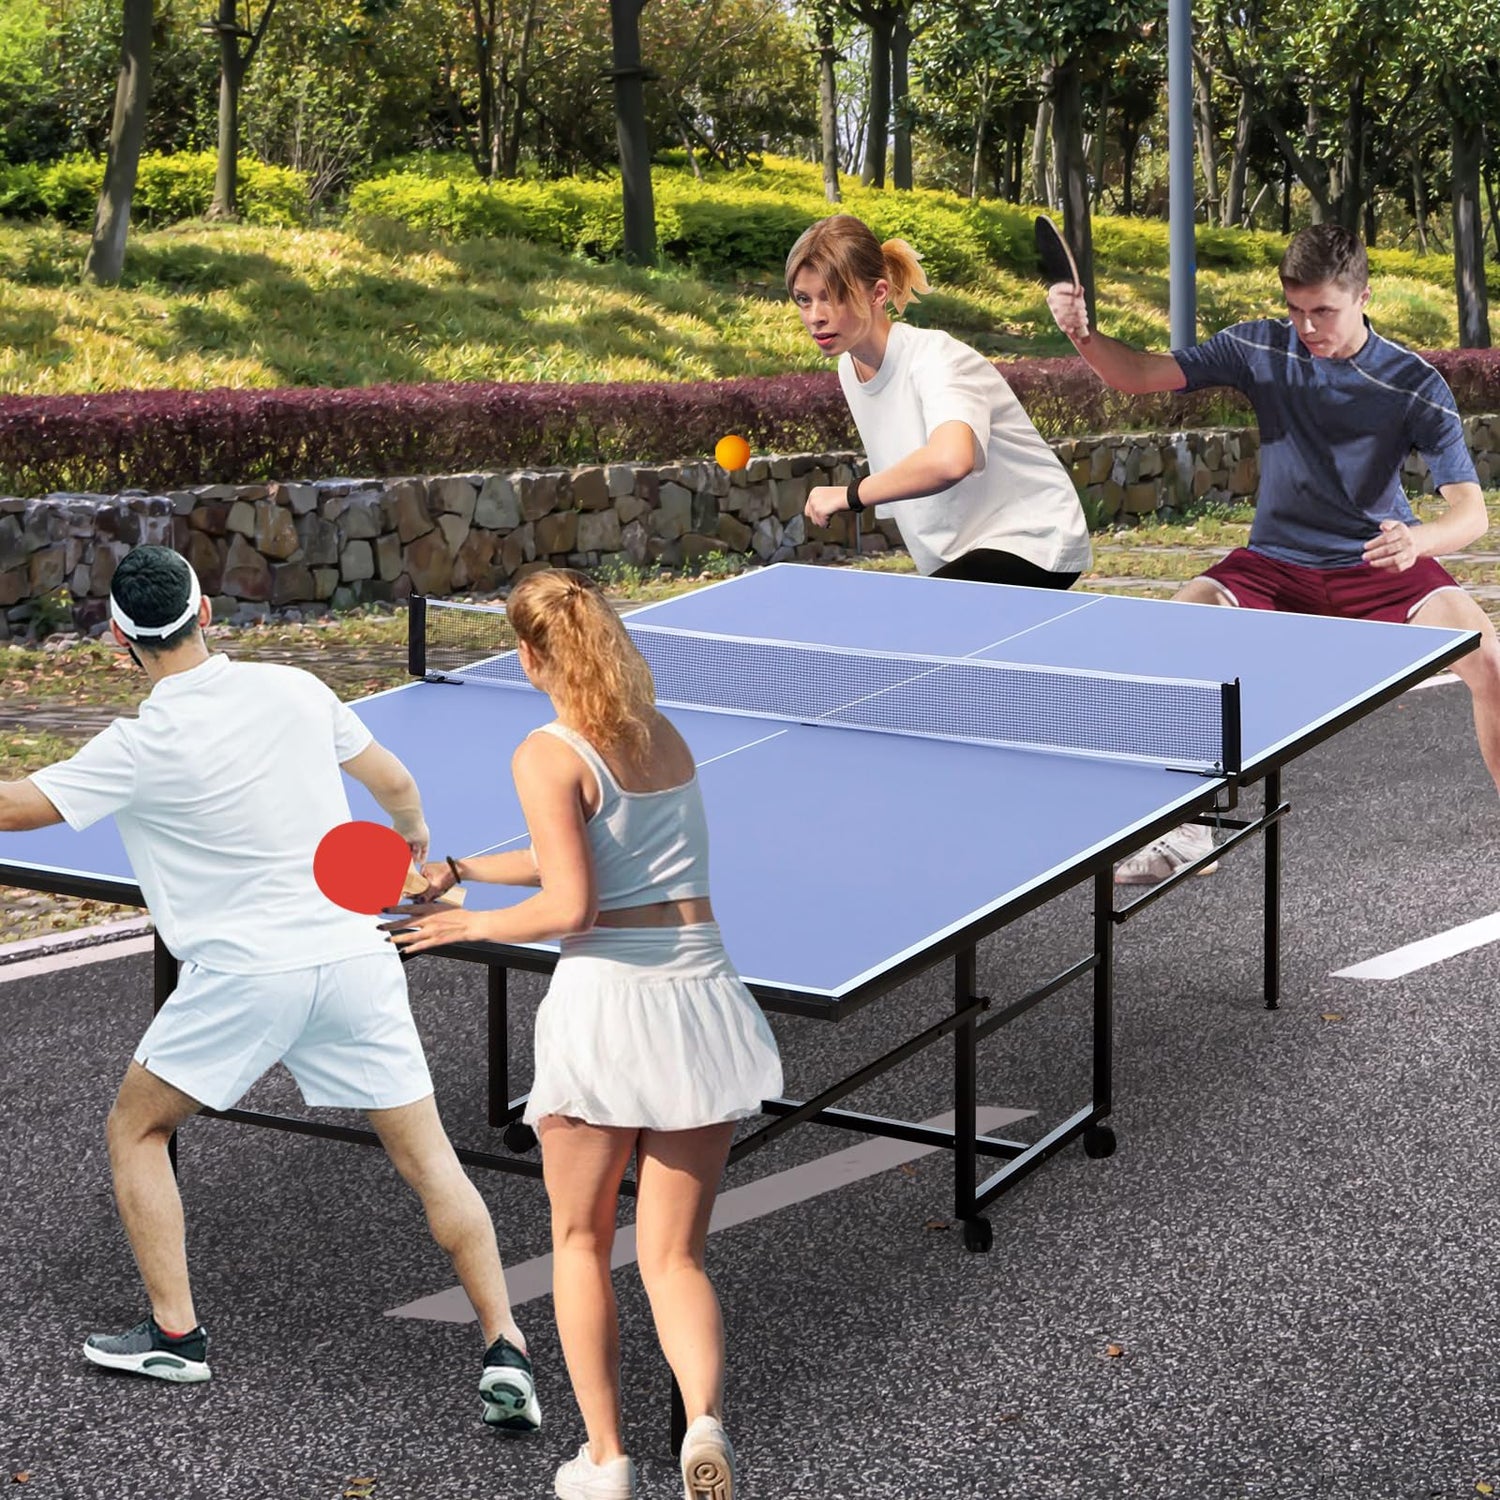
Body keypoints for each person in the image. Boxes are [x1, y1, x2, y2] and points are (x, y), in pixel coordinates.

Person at [0, 545, 538, 1432]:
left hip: (245, 977)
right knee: (430, 1160)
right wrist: (411, 842)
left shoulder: (136, 745)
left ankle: (176, 1335)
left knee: (138, 1127)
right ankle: (504, 1342)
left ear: (119, 640)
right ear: (206, 613)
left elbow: (14, 807)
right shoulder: (296, 688)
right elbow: (395, 782)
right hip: (355, 955)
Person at [389, 568, 782, 1500]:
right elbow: (575, 851)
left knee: (578, 1240)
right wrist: (460, 869)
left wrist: (467, 923)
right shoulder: (661, 735)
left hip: (609, 1006)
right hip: (701, 999)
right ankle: (703, 1422)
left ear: (529, 655)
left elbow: (573, 903)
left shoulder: (545, 752)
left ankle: (605, 1460)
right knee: (674, 1257)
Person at [1047, 222, 1500, 884]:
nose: (1307, 326)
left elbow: (1471, 514)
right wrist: (1083, 336)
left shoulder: (1412, 383)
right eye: (1295, 308)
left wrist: (1419, 541)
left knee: (1491, 664)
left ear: (1363, 297)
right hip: (1276, 566)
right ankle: (1186, 832)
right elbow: (1138, 375)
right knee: (1175, 628)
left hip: (1378, 565)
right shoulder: (1260, 346)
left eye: (1324, 311)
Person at [787, 212, 1093, 588]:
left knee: (911, 620)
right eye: (804, 300)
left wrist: (851, 494)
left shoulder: (936, 358)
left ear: (877, 294)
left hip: (1032, 539)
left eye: (832, 297)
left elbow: (952, 460)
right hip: (959, 557)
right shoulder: (850, 369)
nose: (815, 316)